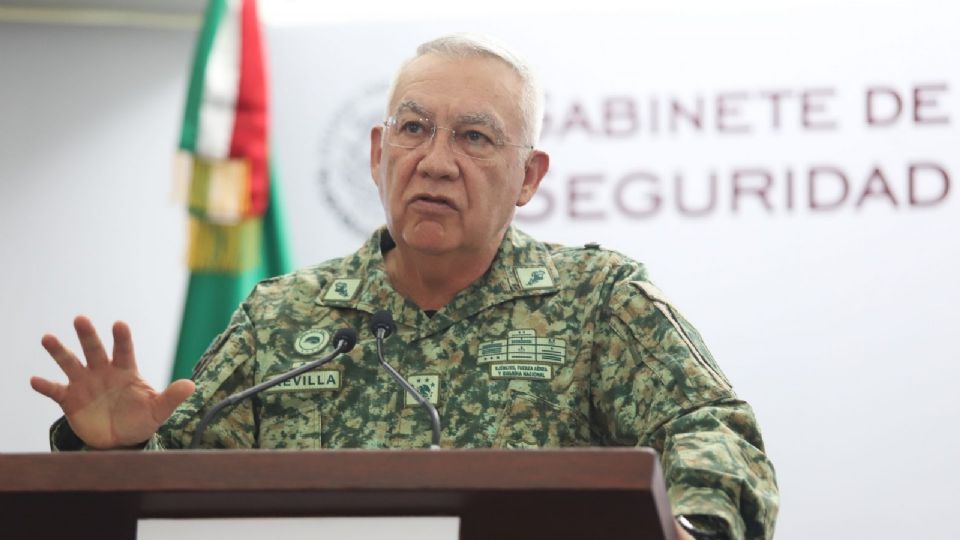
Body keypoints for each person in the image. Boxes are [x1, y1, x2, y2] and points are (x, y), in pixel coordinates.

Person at [31, 34, 778, 539]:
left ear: (528, 176)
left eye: (475, 137)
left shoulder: (598, 301)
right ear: (378, 152)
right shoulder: (280, 317)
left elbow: (717, 433)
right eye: (414, 130)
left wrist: (696, 527)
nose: (436, 161)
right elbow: (184, 496)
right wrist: (117, 451)